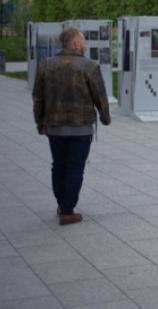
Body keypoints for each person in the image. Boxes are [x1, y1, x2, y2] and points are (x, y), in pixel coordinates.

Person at [32, 25, 111, 225]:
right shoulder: (89, 66)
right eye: (83, 41)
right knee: (75, 168)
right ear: (76, 44)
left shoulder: (46, 65)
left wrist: (39, 122)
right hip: (81, 126)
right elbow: (100, 97)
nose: (85, 45)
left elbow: (38, 98)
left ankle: (62, 204)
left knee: (58, 165)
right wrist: (105, 118)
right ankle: (67, 210)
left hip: (54, 125)